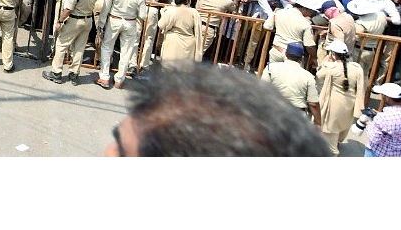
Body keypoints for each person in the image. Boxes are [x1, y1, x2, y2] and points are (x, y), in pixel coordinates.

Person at [106, 63, 330, 156]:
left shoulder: (273, 67)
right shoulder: (307, 77)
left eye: (123, 153)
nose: (108, 153)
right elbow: (313, 103)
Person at [43, 0, 100, 85]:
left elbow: (68, 8)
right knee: (79, 48)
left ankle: (56, 72)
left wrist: (60, 20)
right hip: (87, 20)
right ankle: (74, 73)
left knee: (61, 44)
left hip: (74, 20)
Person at [95, 0, 148, 90]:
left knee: (107, 47)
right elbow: (143, 15)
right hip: (130, 22)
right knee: (127, 51)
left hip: (114, 20)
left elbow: (105, 9)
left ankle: (104, 76)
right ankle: (119, 79)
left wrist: (101, 24)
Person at [314, 40, 365, 155]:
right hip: (349, 103)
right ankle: (335, 143)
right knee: (342, 125)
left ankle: (333, 152)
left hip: (334, 104)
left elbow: (318, 76)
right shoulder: (357, 68)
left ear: (332, 53)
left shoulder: (330, 67)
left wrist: (326, 61)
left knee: (330, 129)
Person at [263, 42, 322, 128]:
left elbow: (262, 89)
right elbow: (313, 103)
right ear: (301, 58)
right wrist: (318, 123)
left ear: (286, 54)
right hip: (297, 117)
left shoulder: (271, 68)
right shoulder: (308, 76)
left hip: (273, 111)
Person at [156, 0, 204, 65]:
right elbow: (198, 30)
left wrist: (163, 13)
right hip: (189, 43)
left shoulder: (171, 10)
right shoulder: (194, 12)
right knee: (183, 71)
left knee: (169, 68)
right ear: (187, 0)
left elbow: (161, 25)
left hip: (172, 42)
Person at [365, 81, 401, 157]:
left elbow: (374, 139)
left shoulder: (383, 118)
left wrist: (368, 124)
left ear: (387, 97)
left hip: (377, 153)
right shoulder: (385, 117)